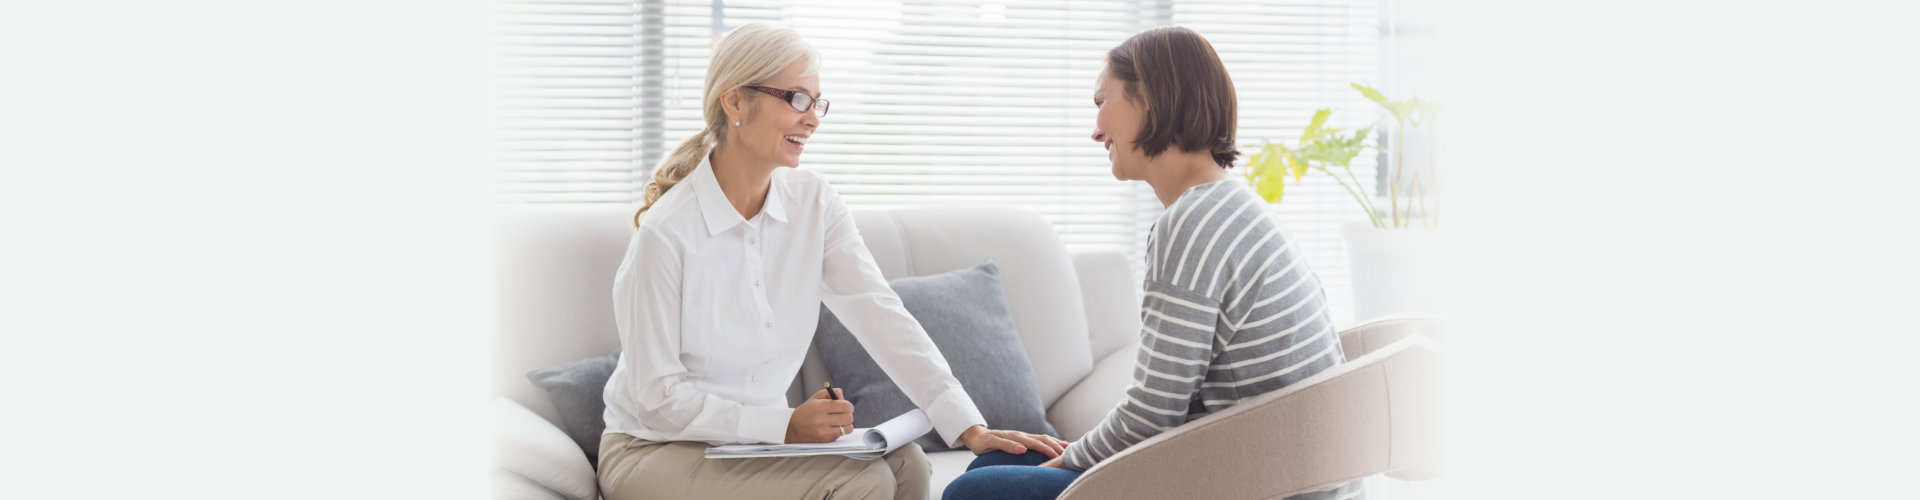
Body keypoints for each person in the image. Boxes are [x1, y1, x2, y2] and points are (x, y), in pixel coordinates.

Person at [596, 24, 1068, 500]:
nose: (813, 118)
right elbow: (654, 401)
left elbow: (880, 313)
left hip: (750, 446)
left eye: (817, 102)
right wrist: (784, 425)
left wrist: (969, 427)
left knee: (908, 465)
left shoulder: (813, 204)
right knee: (863, 479)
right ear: (735, 102)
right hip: (654, 450)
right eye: (797, 99)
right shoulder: (666, 234)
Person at [941, 26, 1362, 500]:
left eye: (1103, 101)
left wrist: (1071, 459)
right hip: (1280, 474)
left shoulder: (1192, 223)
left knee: (974, 493)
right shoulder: (1230, 207)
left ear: (1152, 99)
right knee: (996, 463)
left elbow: (1151, 414)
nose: (1096, 128)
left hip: (1264, 485)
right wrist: (1073, 455)